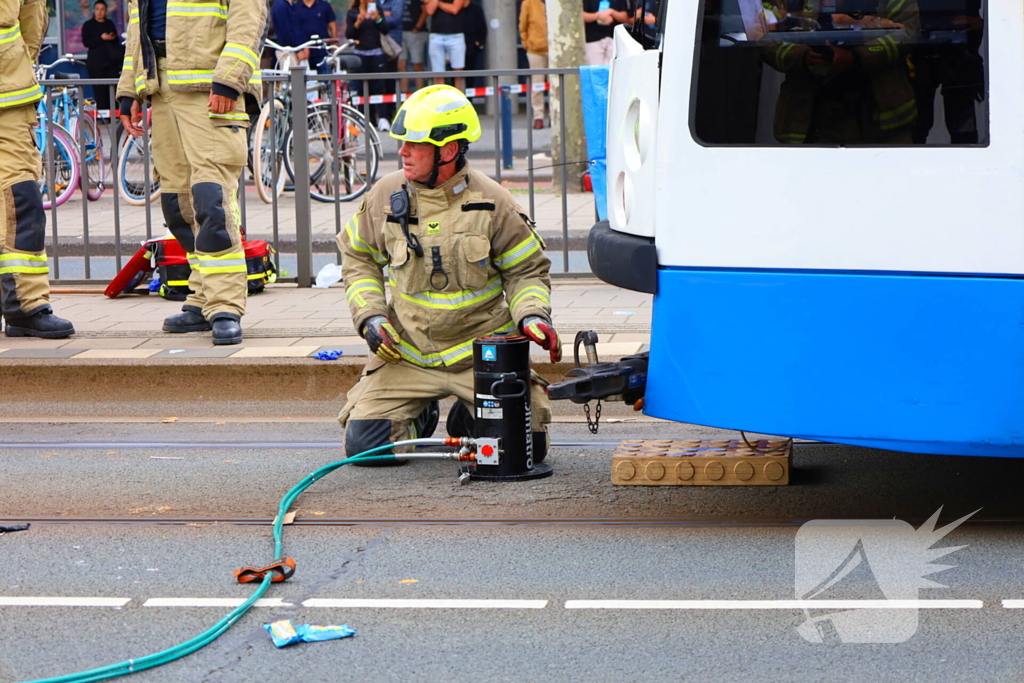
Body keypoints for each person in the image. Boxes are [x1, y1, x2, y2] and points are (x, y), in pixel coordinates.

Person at [336, 85, 560, 466]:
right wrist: (371, 318)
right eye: (402, 142)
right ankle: (421, 414)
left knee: (528, 449)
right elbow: (358, 261)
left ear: (449, 150)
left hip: (484, 358)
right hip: (407, 355)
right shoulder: (384, 196)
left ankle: (468, 414)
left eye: (414, 144)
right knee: (367, 450)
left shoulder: (494, 202)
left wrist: (533, 315)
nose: (402, 151)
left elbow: (526, 273)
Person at [117, 0, 266, 345]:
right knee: (178, 204)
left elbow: (249, 21)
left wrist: (229, 80)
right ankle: (201, 298)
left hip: (211, 92)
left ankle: (225, 305)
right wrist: (129, 91)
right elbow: (137, 34)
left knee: (211, 201)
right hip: (162, 91)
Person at [0, 0, 75, 339]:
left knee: (23, 200)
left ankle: (27, 308)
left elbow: (31, 19)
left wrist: (15, 67)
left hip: (10, 101)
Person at [760, 2, 921, 145]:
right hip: (810, 116)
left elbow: (909, 31)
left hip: (880, 118)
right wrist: (801, 56)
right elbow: (761, 33)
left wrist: (859, 56)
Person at [346, 0, 398, 127]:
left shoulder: (377, 10)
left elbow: (385, 30)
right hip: (360, 54)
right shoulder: (353, 13)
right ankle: (366, 119)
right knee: (362, 88)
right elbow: (349, 35)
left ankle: (383, 118)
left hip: (377, 53)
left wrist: (378, 19)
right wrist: (358, 23)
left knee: (379, 87)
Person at [80, 0, 124, 115]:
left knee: (112, 90)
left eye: (102, 9)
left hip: (110, 62)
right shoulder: (88, 25)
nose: (99, 12)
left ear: (106, 11)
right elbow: (87, 42)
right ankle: (102, 116)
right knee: (99, 90)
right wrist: (101, 37)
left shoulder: (109, 24)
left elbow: (116, 40)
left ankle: (114, 115)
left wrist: (111, 37)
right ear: (94, 11)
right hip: (96, 63)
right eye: (97, 9)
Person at [424, 0, 465, 91]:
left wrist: (437, 2)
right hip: (436, 36)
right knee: (438, 74)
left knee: (458, 73)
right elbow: (429, 10)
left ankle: (459, 101)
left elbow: (455, 9)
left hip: (455, 35)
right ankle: (440, 101)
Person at [518, 0, 547, 128]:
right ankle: (538, 116)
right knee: (537, 84)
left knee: (557, 84)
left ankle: (556, 115)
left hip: (556, 48)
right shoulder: (529, 2)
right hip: (536, 49)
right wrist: (526, 43)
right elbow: (522, 25)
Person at [293, 0, 337, 73]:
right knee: (302, 82)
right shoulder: (295, 7)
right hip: (303, 53)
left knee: (326, 81)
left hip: (322, 53)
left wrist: (334, 49)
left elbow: (333, 28)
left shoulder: (324, 5)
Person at [583, 0, 627, 66]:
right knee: (594, 70)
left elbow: (626, 17)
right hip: (592, 40)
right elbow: (581, 15)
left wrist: (611, 12)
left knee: (614, 70)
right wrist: (598, 16)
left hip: (614, 40)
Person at [398, 0, 427, 92]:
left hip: (416, 32)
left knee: (417, 64)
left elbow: (425, 10)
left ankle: (419, 94)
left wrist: (417, 28)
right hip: (400, 31)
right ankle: (404, 97)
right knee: (401, 64)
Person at [461, 0, 485, 89]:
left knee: (470, 76)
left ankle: (469, 100)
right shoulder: (456, 9)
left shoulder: (476, 9)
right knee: (454, 75)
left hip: (471, 46)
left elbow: (482, 27)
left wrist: (478, 42)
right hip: (457, 44)